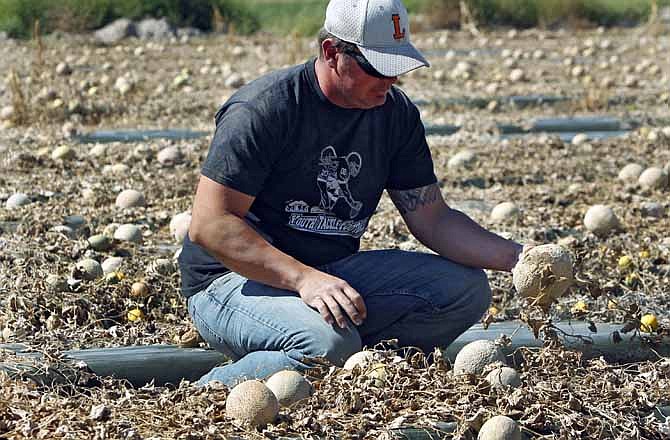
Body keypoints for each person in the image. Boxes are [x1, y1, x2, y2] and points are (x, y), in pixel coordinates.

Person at [178, 0, 525, 387]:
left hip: (329, 273)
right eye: (378, 67)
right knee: (324, 343)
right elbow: (210, 226)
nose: (390, 81)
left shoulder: (395, 115)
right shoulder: (265, 109)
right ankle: (205, 389)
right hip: (229, 281)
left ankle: (362, 372)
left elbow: (433, 218)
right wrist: (303, 279)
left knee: (465, 291)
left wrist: (518, 259)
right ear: (332, 52)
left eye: (398, 68)